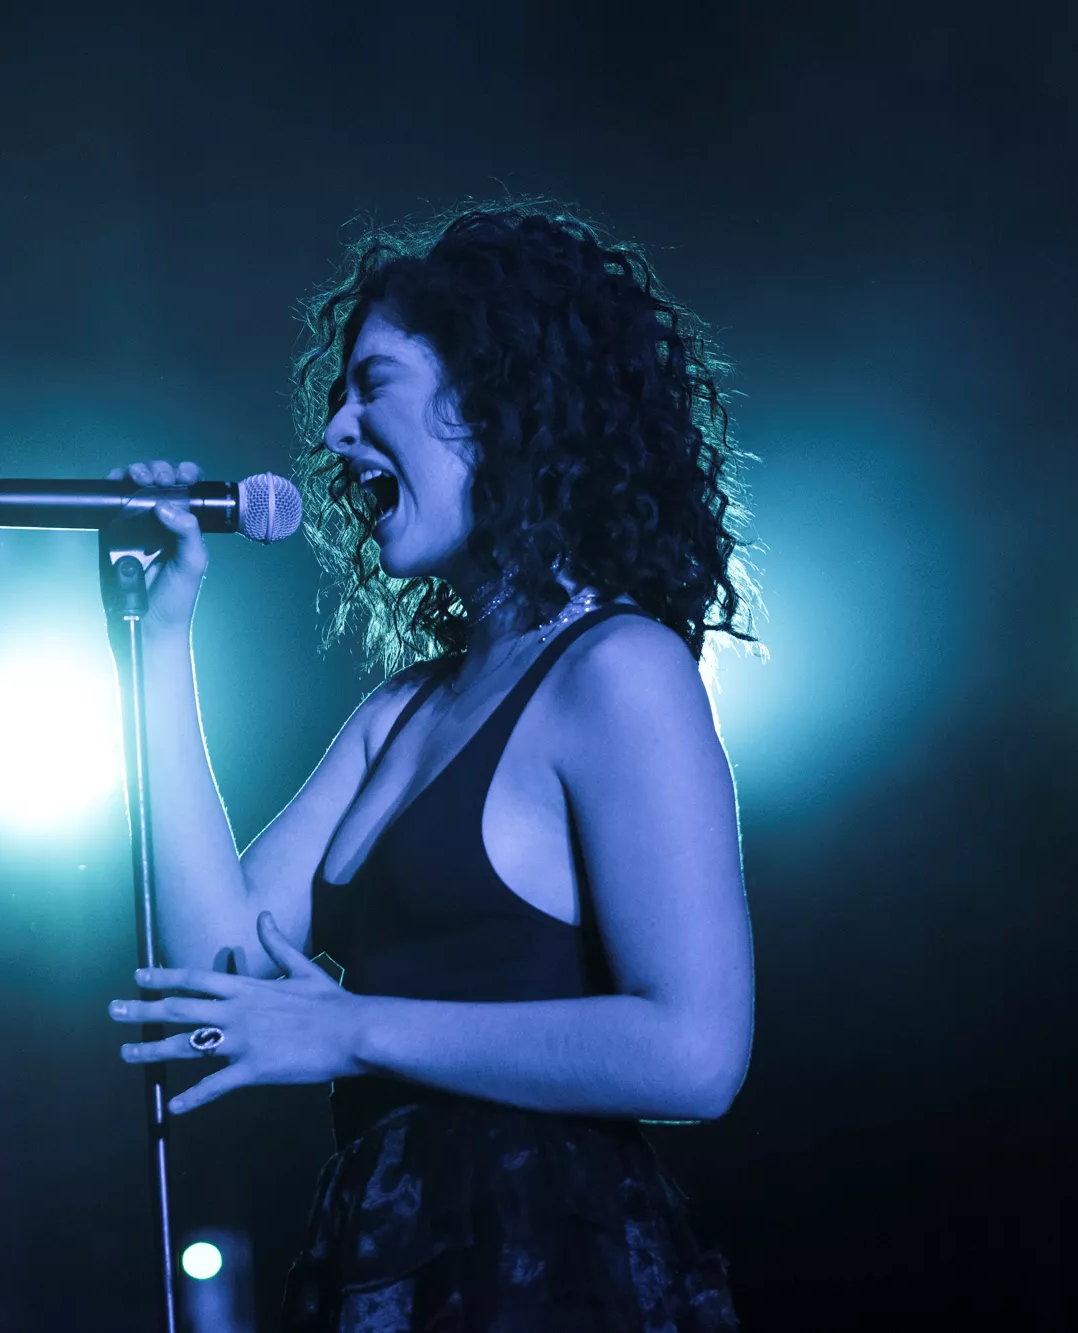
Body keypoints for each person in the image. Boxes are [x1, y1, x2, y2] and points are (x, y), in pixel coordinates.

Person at [104, 202, 754, 1330]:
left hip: (548, 1272)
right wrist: (156, 642)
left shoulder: (619, 670)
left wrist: (353, 1027)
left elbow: (693, 1049)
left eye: (374, 386)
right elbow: (215, 989)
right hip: (382, 1262)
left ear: (496, 398)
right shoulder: (398, 712)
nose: (338, 432)